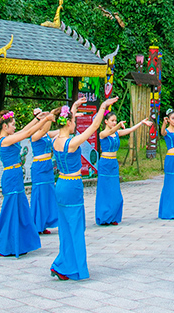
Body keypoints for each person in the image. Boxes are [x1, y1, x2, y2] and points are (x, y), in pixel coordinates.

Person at [50, 95, 118, 280]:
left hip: (61, 184)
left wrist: (73, 107)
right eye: (74, 120)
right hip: (72, 186)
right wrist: (103, 106)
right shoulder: (71, 143)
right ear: (69, 123)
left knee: (66, 227)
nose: (75, 122)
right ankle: (69, 266)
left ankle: (64, 262)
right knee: (76, 226)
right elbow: (94, 127)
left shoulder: (56, 140)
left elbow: (67, 124)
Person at [0, 108, 57, 257]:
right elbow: (27, 134)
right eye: (13, 124)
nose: (15, 127)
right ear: (5, 126)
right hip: (11, 176)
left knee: (19, 208)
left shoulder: (10, 136)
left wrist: (37, 118)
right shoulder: (5, 140)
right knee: (11, 209)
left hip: (15, 175)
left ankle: (18, 242)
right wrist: (44, 120)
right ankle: (6, 244)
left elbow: (24, 130)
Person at [95, 111, 152, 225]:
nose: (114, 122)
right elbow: (110, 131)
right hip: (105, 163)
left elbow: (130, 130)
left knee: (115, 191)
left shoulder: (117, 133)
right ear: (106, 121)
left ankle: (113, 216)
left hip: (113, 164)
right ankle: (104, 217)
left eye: (115, 120)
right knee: (105, 190)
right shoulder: (102, 134)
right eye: (112, 120)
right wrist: (118, 125)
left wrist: (141, 123)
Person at [30, 107, 58, 236]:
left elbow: (59, 131)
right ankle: (36, 224)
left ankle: (45, 222)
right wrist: (50, 116)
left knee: (48, 194)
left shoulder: (47, 134)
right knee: (39, 195)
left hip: (47, 166)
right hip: (39, 167)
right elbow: (45, 129)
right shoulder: (35, 135)